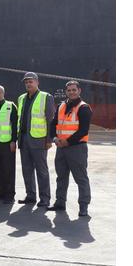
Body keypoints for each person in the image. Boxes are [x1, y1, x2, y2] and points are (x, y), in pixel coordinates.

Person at [48, 81, 93, 217]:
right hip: (61, 148)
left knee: (81, 178)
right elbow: (53, 124)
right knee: (61, 177)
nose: (71, 92)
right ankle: (60, 203)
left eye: (74, 90)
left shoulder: (84, 108)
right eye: (69, 90)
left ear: (79, 91)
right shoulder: (61, 106)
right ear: (66, 92)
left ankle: (83, 206)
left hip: (77, 148)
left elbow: (84, 130)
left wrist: (67, 142)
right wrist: (54, 138)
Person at [16, 72, 56, 207]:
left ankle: (45, 198)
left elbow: (50, 120)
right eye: (26, 82)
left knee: (41, 170)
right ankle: (30, 195)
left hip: (39, 139)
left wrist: (49, 139)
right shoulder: (21, 98)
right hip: (23, 139)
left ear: (37, 82)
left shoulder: (46, 97)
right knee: (26, 169)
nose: (28, 84)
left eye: (31, 81)